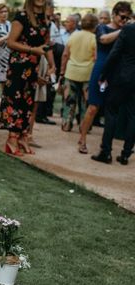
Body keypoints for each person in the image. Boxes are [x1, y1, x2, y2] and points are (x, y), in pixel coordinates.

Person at [0, 0, 55, 155]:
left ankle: (23, 137)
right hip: (18, 66)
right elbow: (10, 42)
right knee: (15, 100)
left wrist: (52, 65)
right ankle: (12, 139)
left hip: (33, 67)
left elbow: (46, 44)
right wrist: (32, 49)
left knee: (28, 102)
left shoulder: (45, 19)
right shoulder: (21, 16)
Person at [78, 2, 132, 154]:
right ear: (114, 14)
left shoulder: (126, 29)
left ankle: (105, 146)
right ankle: (82, 139)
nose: (124, 20)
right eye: (122, 16)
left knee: (110, 110)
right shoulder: (102, 27)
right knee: (93, 107)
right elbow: (104, 39)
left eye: (127, 18)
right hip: (101, 69)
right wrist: (124, 30)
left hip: (117, 72)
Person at [91, 21, 135, 164]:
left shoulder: (128, 28)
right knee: (133, 116)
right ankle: (125, 155)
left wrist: (103, 74)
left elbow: (115, 53)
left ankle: (106, 152)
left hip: (123, 76)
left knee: (111, 111)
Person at [60, 13, 98, 132]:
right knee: (85, 102)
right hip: (87, 74)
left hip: (71, 72)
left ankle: (66, 123)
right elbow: (96, 58)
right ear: (95, 25)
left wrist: (62, 71)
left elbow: (65, 54)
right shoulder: (94, 38)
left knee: (69, 100)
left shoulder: (74, 36)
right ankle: (84, 126)